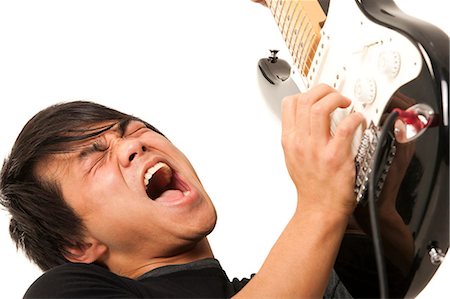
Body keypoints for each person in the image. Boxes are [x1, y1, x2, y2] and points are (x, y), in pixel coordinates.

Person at [0, 83, 364, 298]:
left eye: (132, 130)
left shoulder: (297, 285)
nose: (132, 146)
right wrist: (319, 204)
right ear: (76, 245)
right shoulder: (60, 293)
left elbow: (395, 263)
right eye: (94, 161)